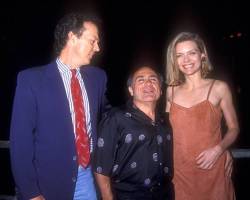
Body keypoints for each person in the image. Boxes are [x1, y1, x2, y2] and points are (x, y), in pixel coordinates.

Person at [10, 12, 110, 200]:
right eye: (93, 41)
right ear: (72, 37)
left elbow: (108, 118)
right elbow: (20, 142)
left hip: (87, 178)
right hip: (48, 183)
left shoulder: (98, 78)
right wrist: (31, 192)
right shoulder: (31, 80)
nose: (98, 47)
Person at [165, 32, 239, 200]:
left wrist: (220, 149)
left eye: (191, 53)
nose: (186, 60)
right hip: (180, 172)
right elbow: (166, 131)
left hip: (213, 170)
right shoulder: (171, 91)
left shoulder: (219, 88)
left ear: (202, 54)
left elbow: (234, 128)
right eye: (180, 55)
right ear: (175, 61)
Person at [93, 65, 173, 200]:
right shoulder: (116, 117)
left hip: (164, 194)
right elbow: (101, 167)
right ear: (131, 90)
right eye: (140, 80)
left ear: (160, 90)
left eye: (153, 80)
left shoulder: (165, 120)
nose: (148, 83)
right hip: (128, 195)